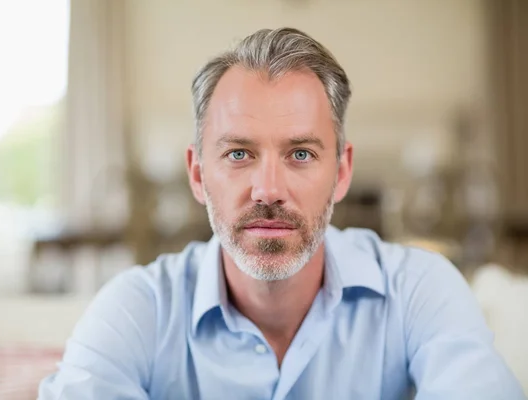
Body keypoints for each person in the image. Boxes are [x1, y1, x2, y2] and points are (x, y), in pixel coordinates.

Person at [38, 27, 525, 400]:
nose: (268, 190)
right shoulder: (137, 309)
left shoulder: (419, 290)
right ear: (197, 173)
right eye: (237, 154)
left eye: (300, 154)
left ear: (341, 170)